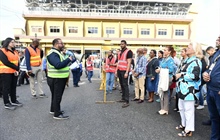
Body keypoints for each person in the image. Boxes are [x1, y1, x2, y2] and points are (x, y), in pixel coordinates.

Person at [175, 42, 202, 137]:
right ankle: (184, 124)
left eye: (189, 47)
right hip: (182, 89)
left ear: (194, 50)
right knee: (181, 108)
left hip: (190, 90)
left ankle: (189, 129)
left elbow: (195, 76)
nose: (187, 49)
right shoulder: (187, 60)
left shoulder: (196, 61)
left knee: (188, 110)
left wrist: (181, 74)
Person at [47, 38, 75, 119]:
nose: (63, 45)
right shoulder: (53, 54)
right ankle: (57, 114)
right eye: (61, 43)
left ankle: (54, 110)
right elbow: (58, 65)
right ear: (56, 44)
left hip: (57, 78)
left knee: (55, 95)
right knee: (57, 96)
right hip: (56, 78)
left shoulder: (57, 53)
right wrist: (68, 59)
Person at [203, 36, 220, 140]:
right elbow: (210, 68)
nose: (217, 40)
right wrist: (205, 74)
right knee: (214, 117)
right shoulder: (216, 54)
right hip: (211, 89)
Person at [0, 38, 22, 110]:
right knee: (6, 88)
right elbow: (5, 62)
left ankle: (14, 100)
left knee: (13, 87)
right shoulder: (2, 51)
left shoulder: (14, 51)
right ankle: (6, 103)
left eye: (14, 42)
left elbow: (17, 60)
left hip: (14, 71)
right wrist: (16, 68)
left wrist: (17, 68)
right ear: (8, 43)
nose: (14, 43)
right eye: (12, 42)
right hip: (5, 72)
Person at [156, 46, 175, 115]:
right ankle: (162, 108)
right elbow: (161, 67)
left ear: (169, 52)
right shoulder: (164, 59)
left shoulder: (170, 60)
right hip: (162, 77)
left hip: (167, 78)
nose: (164, 51)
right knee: (162, 92)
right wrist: (159, 69)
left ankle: (165, 109)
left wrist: (161, 70)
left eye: (165, 50)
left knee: (165, 92)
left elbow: (171, 70)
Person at [116, 40, 133, 108]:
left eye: (123, 44)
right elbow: (119, 62)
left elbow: (129, 62)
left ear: (125, 44)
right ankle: (123, 98)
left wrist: (127, 72)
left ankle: (127, 101)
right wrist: (116, 71)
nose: (121, 45)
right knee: (122, 84)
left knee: (125, 85)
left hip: (124, 71)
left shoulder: (128, 52)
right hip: (119, 70)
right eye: (121, 44)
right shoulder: (120, 52)